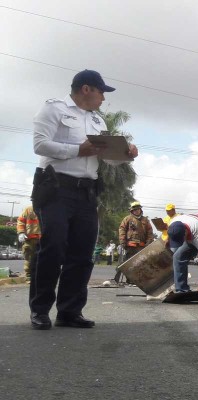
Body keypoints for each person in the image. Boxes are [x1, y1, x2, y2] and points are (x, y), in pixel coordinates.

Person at [29, 69, 138, 330]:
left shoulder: (98, 121)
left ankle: (69, 311)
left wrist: (127, 153)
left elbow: (107, 157)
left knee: (82, 253)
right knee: (53, 248)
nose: (103, 98)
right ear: (86, 89)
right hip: (56, 188)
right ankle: (40, 310)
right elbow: (40, 145)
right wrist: (77, 149)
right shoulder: (54, 109)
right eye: (101, 92)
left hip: (87, 192)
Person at [115, 201, 154, 283]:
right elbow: (122, 229)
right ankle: (125, 279)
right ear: (132, 211)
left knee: (140, 264)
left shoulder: (145, 220)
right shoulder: (127, 219)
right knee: (126, 264)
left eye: (138, 209)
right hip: (129, 246)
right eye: (135, 209)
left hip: (141, 246)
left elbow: (150, 233)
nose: (137, 211)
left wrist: (148, 243)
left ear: (140, 210)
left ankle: (136, 280)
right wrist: (123, 241)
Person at [16, 205, 41, 280]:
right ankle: (29, 278)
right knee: (29, 260)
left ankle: (40, 278)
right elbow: (21, 221)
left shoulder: (49, 208)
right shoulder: (28, 209)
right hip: (30, 240)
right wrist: (21, 232)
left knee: (43, 259)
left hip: (45, 240)